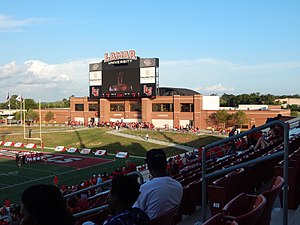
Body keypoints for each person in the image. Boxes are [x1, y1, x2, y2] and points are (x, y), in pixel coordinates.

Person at [133, 148, 183, 220]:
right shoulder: (178, 185)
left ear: (149, 167)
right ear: (166, 165)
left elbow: (134, 213)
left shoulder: (144, 188)